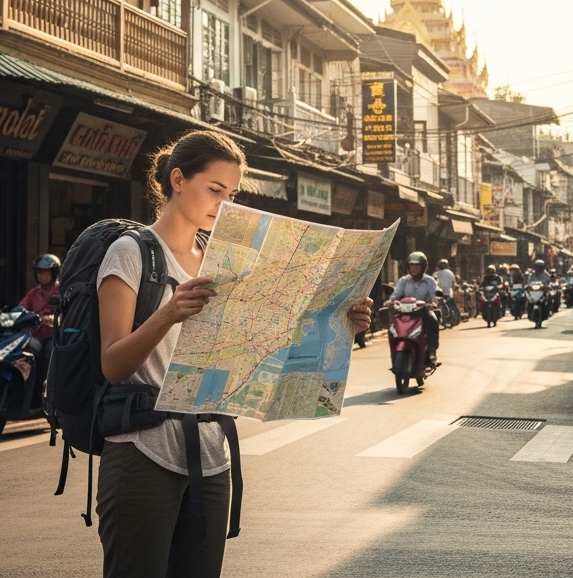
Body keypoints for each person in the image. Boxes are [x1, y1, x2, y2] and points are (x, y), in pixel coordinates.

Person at [94, 129, 374, 578]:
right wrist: (170, 313)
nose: (223, 205)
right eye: (215, 190)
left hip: (211, 455)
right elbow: (112, 364)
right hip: (142, 452)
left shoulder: (222, 257)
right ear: (178, 180)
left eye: (232, 194)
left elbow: (267, 334)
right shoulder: (131, 253)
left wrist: (340, 319)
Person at [389, 252, 440, 365]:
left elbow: (434, 295)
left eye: (417, 265)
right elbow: (396, 295)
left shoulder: (430, 281)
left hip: (423, 312)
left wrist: (434, 302)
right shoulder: (403, 280)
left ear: (423, 267)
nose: (414, 268)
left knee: (433, 320)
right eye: (411, 265)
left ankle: (432, 351)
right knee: (392, 328)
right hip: (404, 312)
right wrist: (390, 301)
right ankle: (394, 352)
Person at [18, 254, 61, 341]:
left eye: (45, 272)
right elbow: (20, 308)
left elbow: (71, 314)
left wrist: (55, 318)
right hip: (34, 335)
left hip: (55, 336)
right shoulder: (34, 293)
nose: (41, 275)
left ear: (54, 273)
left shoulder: (63, 291)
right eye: (39, 272)